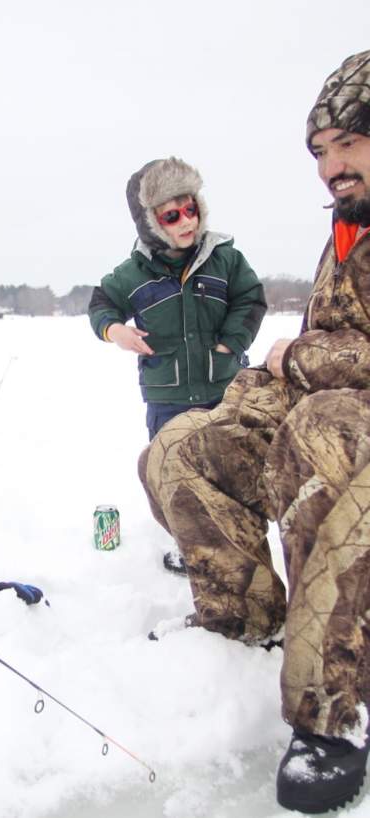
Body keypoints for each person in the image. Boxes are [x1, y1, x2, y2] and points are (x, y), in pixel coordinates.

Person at [142, 50, 370, 814]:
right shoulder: (345, 230)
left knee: (316, 434)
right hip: (322, 406)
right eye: (319, 150)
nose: (329, 166)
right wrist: (250, 393)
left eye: (348, 142)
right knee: (179, 445)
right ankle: (243, 623)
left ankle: (337, 704)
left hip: (344, 430)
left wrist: (300, 358)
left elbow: (327, 361)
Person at [88, 157, 266, 574]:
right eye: (172, 215)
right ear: (151, 222)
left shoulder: (226, 258)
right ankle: (189, 546)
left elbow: (251, 298)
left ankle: (238, 547)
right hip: (167, 398)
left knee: (228, 472)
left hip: (223, 389)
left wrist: (231, 343)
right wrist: (117, 331)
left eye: (191, 209)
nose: (186, 221)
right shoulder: (133, 273)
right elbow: (101, 304)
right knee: (170, 474)